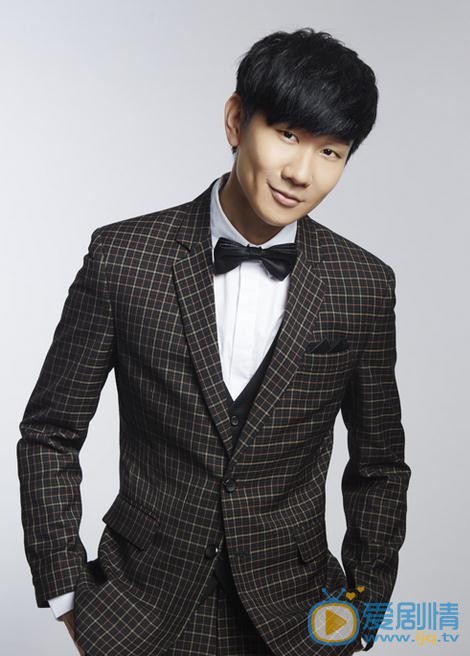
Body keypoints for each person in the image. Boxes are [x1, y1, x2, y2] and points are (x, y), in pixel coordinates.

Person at [17, 27, 411, 656]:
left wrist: (365, 609)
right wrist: (65, 590)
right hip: (139, 611)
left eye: (330, 152)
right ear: (235, 121)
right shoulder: (123, 258)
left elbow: (379, 465)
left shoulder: (362, 284)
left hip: (298, 619)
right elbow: (50, 432)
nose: (301, 173)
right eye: (286, 134)